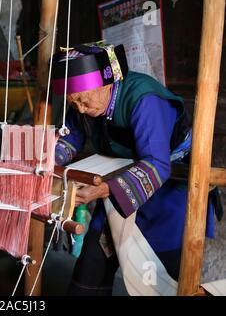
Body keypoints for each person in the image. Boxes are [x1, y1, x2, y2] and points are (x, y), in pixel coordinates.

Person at [51, 42, 216, 296]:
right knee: (93, 259)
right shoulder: (82, 99)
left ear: (107, 84)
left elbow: (157, 164)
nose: (81, 109)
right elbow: (69, 138)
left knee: (160, 274)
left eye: (83, 101)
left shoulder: (144, 99)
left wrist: (103, 190)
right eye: (74, 104)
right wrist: (48, 163)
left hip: (168, 188)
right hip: (117, 187)